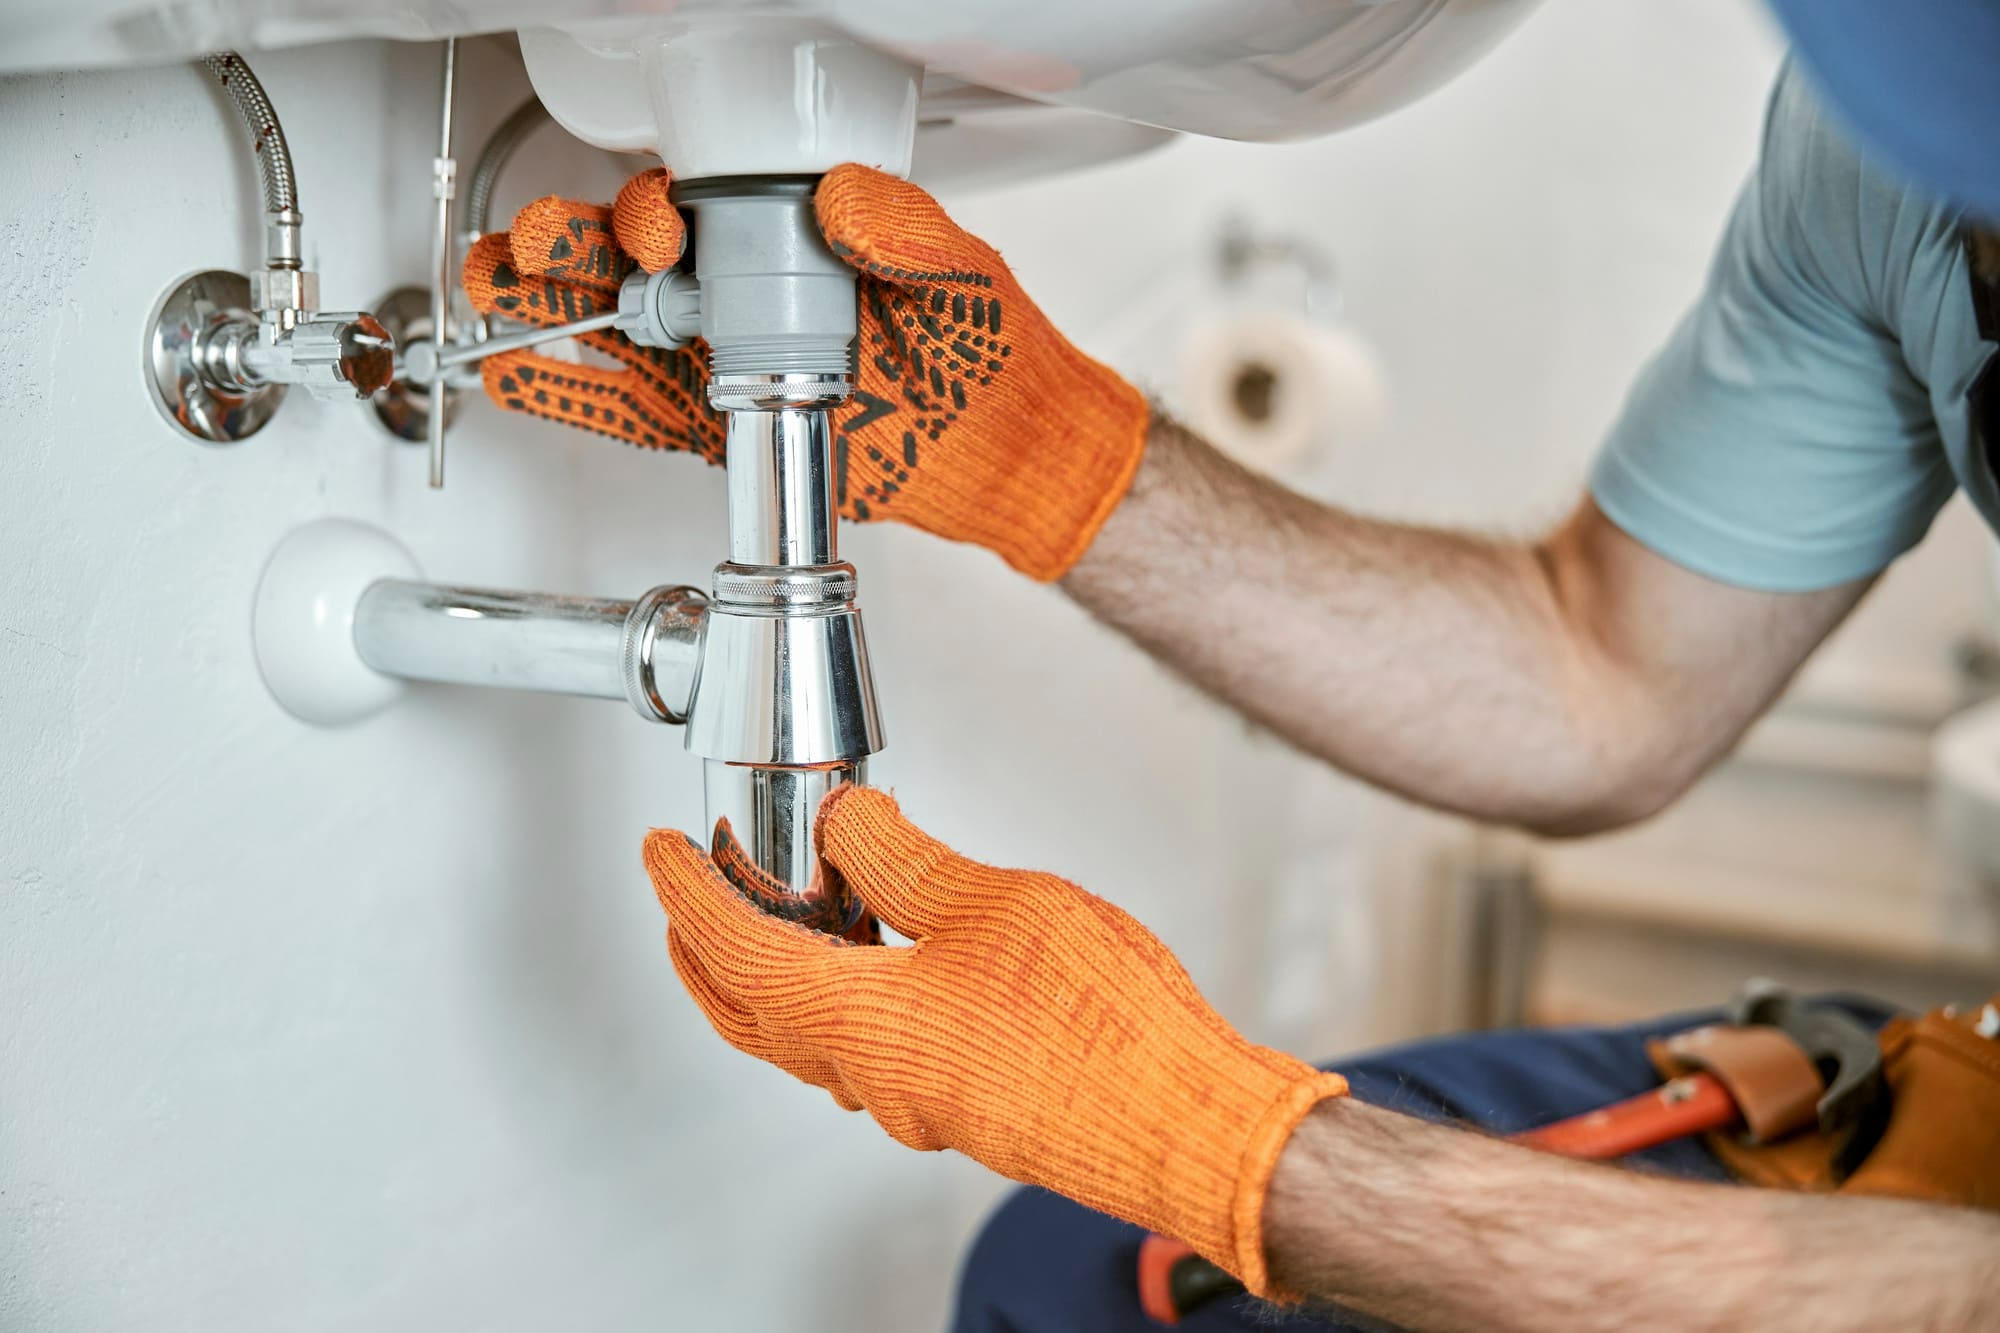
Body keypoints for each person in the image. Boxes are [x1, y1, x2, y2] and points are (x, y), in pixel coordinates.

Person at [460, 8, 2000, 1327]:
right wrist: (1046, 455)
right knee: (1065, 1276)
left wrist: (1244, 1152)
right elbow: (1604, 677)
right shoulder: (1892, 144)